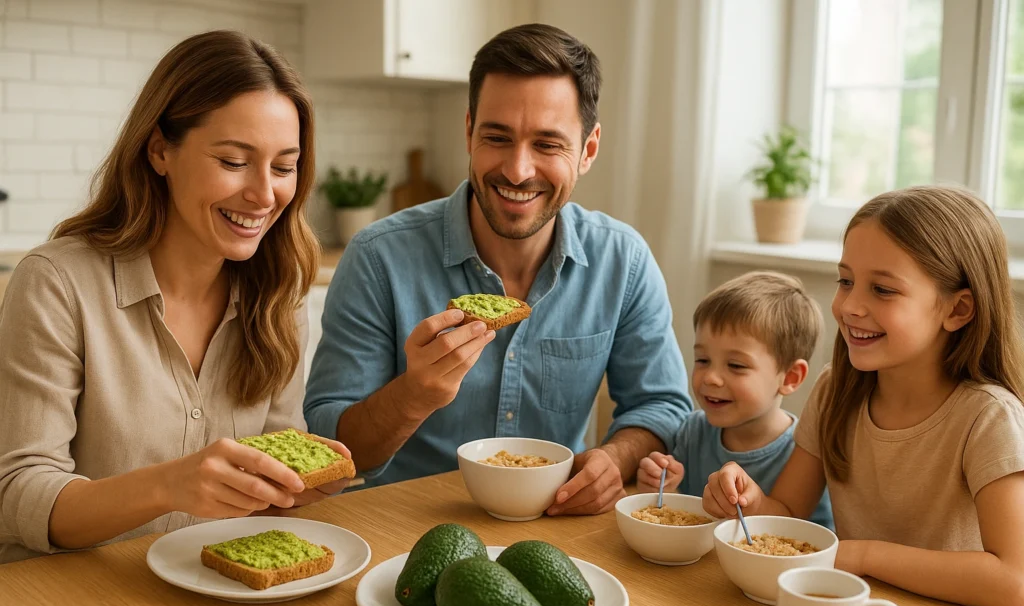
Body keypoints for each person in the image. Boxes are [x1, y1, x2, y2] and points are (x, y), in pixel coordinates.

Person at [304, 24, 690, 515]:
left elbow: (663, 408)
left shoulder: (624, 261)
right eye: (497, 137)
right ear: (468, 131)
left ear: (588, 150)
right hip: (403, 537)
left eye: (548, 145)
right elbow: (330, 447)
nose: (517, 170)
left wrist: (614, 458)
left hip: (556, 535)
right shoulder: (379, 258)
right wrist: (413, 396)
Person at [0, 30, 350, 564]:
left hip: (213, 591)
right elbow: (16, 493)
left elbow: (271, 477)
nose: (264, 194)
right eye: (234, 161)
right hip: (72, 602)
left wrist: (290, 487)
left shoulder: (280, 290)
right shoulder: (58, 283)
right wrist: (168, 486)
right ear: (161, 150)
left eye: (283, 167)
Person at [703, 186, 1024, 606]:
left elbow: (1013, 582)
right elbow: (788, 513)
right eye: (846, 281)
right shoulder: (836, 391)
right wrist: (748, 501)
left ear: (958, 309)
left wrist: (862, 556)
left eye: (883, 290)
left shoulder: (989, 418)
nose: (850, 306)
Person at [637, 272, 833, 529]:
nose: (711, 378)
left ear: (790, 377)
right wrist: (661, 485)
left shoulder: (804, 452)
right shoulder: (691, 432)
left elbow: (793, 535)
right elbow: (680, 517)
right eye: (702, 360)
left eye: (736, 365)